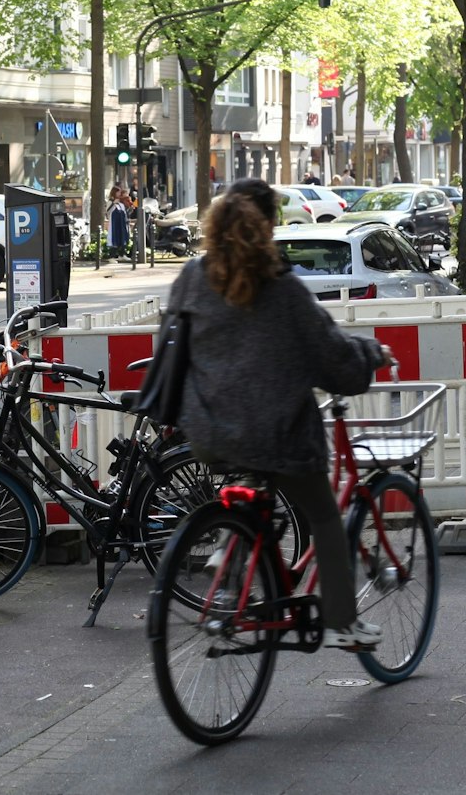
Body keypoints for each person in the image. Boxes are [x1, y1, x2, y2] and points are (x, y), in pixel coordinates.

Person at [165, 179, 389, 649]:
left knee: (254, 489)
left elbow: (169, 345)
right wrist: (370, 354)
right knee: (325, 517)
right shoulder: (281, 289)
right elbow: (332, 357)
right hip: (278, 434)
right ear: (266, 225)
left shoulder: (191, 277)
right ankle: (343, 622)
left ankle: (233, 545)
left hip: (209, 429)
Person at [107, 186, 130, 257]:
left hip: (121, 225)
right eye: (118, 192)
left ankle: (122, 254)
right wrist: (113, 203)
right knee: (114, 239)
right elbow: (108, 211)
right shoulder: (110, 202)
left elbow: (124, 214)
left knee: (123, 238)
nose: (120, 194)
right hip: (114, 225)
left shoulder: (121, 204)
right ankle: (112, 256)